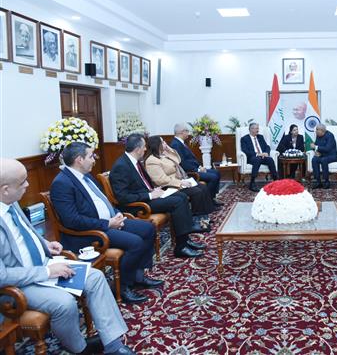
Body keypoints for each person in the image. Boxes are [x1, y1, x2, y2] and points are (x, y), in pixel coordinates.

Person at [0, 158, 135, 355]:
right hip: (21, 284)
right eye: (22, 182)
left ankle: (113, 345)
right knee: (64, 303)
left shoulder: (10, 202)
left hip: (45, 264)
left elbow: (25, 231)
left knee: (95, 277)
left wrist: (45, 244)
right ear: (5, 189)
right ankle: (79, 348)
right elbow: (2, 276)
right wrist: (46, 271)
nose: (28, 185)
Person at [50, 142, 163, 304]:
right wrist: (107, 224)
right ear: (79, 160)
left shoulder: (86, 176)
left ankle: (138, 276)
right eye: (91, 156)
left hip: (108, 222)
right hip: (90, 232)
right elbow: (72, 220)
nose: (94, 159)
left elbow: (102, 201)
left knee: (148, 228)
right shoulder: (62, 183)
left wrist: (116, 215)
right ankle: (122, 287)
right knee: (135, 242)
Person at [110, 133, 206, 258]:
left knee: (181, 197)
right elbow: (122, 197)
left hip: (149, 195)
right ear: (137, 149)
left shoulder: (134, 161)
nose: (146, 149)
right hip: (138, 205)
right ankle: (181, 247)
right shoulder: (121, 166)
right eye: (144, 147)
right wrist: (150, 195)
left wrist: (155, 190)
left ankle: (185, 240)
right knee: (178, 201)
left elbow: (143, 182)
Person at [145, 135, 215, 229]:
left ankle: (203, 217)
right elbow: (160, 179)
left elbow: (178, 160)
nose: (165, 143)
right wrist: (180, 183)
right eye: (162, 142)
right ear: (157, 145)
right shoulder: (151, 160)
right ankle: (196, 220)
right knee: (197, 191)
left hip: (178, 182)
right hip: (169, 187)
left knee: (202, 187)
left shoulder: (163, 155)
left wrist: (169, 149)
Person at [170, 123, 222, 205]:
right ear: (181, 132)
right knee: (213, 177)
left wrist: (199, 166)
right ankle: (208, 201)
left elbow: (190, 159)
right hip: (190, 172)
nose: (188, 133)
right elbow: (182, 163)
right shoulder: (175, 144)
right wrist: (197, 169)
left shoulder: (180, 142)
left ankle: (212, 198)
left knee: (216, 172)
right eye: (187, 131)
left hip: (195, 169)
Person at [240, 122, 278, 192]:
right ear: (251, 129)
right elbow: (245, 150)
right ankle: (252, 183)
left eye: (258, 128)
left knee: (270, 159)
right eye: (256, 128)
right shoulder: (244, 138)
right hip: (252, 157)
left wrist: (266, 153)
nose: (258, 130)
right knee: (257, 160)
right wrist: (257, 154)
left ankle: (276, 180)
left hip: (262, 156)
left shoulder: (260, 136)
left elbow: (267, 146)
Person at [310, 123, 337, 189]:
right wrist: (315, 151)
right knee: (314, 159)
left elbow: (328, 148)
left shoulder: (330, 136)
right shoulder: (318, 135)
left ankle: (326, 182)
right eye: (316, 129)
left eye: (317, 130)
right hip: (322, 155)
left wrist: (316, 147)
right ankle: (318, 182)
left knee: (323, 160)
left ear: (322, 131)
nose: (316, 131)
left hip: (331, 156)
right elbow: (316, 146)